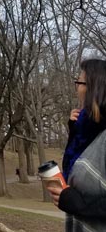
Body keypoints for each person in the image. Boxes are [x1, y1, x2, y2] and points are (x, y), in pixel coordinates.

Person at [47, 58, 106, 230]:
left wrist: (78, 204)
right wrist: (75, 131)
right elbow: (74, 167)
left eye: (79, 82)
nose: (76, 88)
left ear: (94, 88)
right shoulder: (89, 128)